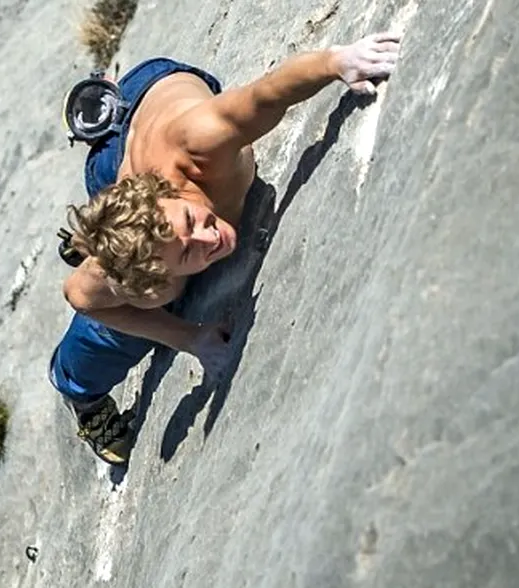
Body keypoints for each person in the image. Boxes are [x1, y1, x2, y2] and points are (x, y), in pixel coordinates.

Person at [49, 32, 402, 464]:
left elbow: (267, 95)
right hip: (124, 176)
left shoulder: (201, 144)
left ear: (164, 193)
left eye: (192, 222)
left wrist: (338, 62)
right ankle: (78, 390)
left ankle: (97, 222)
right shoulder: (155, 261)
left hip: (151, 94)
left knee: (168, 282)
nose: (210, 237)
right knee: (156, 301)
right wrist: (188, 337)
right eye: (186, 252)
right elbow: (79, 295)